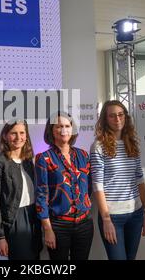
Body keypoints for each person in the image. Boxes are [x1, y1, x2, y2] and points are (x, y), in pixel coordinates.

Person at [90, 100, 145, 260]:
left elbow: (140, 180)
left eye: (121, 115)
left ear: (126, 117)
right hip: (113, 216)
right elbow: (97, 186)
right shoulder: (98, 146)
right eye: (112, 116)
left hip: (136, 214)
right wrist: (106, 219)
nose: (117, 119)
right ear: (105, 119)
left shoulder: (132, 144)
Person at [35, 111, 93, 260]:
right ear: (51, 130)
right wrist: (47, 229)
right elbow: (41, 196)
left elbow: (89, 187)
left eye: (67, 126)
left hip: (84, 224)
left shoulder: (84, 155)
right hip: (58, 226)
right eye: (58, 126)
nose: (63, 130)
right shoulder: (44, 158)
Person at [0, 120, 42, 260]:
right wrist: (0, 235)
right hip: (14, 220)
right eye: (13, 133)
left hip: (33, 216)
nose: (18, 137)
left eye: (22, 133)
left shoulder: (28, 160)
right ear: (5, 136)